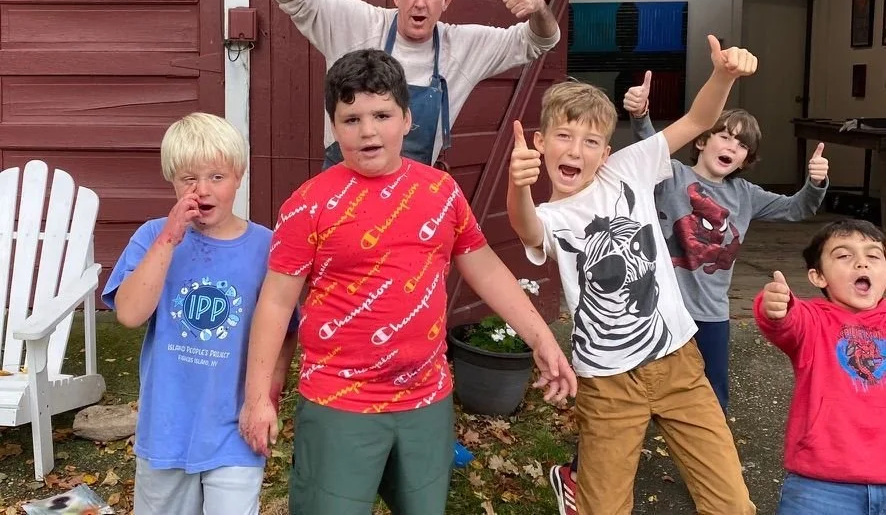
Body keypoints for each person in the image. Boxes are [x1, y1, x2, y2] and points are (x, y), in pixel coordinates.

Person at [238, 48, 576, 515]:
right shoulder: (308, 204)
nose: (368, 131)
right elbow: (276, 303)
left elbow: (485, 267)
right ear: (333, 127)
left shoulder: (441, 192)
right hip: (339, 402)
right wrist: (257, 398)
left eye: (382, 115)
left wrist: (541, 338)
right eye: (351, 119)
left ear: (407, 119)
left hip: (426, 400)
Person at [507, 35, 758, 515]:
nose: (575, 150)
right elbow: (527, 228)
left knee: (730, 503)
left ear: (605, 152)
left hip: (678, 364)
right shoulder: (551, 216)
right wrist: (517, 186)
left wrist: (723, 76)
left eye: (590, 141)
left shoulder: (628, 169)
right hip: (607, 384)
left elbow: (698, 120)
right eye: (563, 136)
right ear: (540, 142)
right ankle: (573, 485)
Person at [102, 113, 297, 515]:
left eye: (217, 177)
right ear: (172, 181)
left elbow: (285, 331)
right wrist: (169, 239)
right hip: (166, 429)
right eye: (189, 179)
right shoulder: (153, 236)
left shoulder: (267, 246)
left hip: (235, 430)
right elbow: (130, 314)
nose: (202, 190)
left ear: (239, 176)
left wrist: (267, 399)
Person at [620, 72, 830, 411]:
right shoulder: (671, 175)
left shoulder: (745, 194)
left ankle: (714, 446)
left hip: (711, 313)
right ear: (702, 141)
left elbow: (797, 208)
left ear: (745, 159)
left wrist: (816, 182)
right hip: (661, 307)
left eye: (742, 145)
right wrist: (640, 114)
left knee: (713, 394)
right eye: (725, 136)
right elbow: (648, 150)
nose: (732, 146)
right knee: (641, 389)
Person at [267, 0, 559, 167]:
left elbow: (541, 40)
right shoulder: (356, 23)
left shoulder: (463, 46)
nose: (420, 2)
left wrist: (538, 7)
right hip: (343, 189)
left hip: (413, 196)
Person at [755, 218, 886, 515]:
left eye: (873, 255)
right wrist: (775, 304)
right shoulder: (813, 320)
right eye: (844, 255)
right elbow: (788, 320)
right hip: (821, 487)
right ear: (818, 276)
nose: (862, 263)